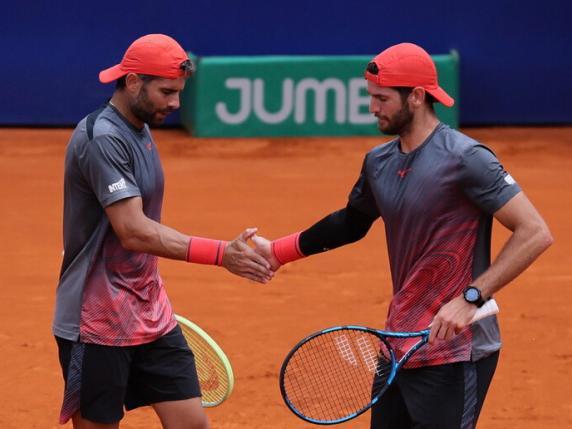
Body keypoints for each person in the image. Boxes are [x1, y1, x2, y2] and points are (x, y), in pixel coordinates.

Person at [252, 42, 553, 428]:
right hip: (399, 341)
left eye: (381, 98)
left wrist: (472, 298)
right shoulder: (378, 162)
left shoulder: (467, 159)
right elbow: (350, 223)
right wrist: (278, 252)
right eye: (371, 97)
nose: (373, 107)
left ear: (415, 96)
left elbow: (535, 232)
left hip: (456, 348)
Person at [52, 34, 273, 429]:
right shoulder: (103, 138)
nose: (175, 104)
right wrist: (223, 253)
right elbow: (133, 231)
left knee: (191, 424)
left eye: (179, 93)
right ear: (133, 81)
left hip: (150, 310)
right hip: (96, 320)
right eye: (167, 92)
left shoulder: (138, 127)